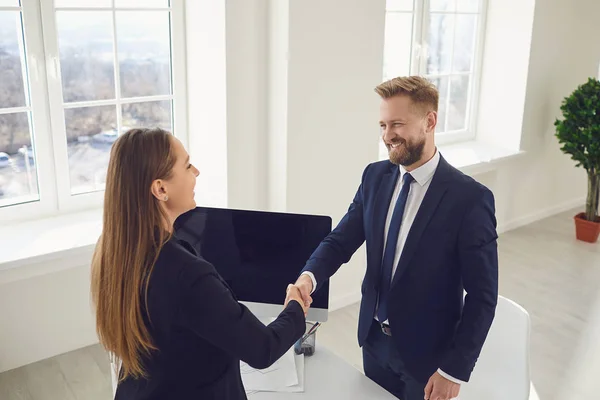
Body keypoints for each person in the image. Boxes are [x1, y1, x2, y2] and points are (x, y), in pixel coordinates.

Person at [294, 76, 499, 400]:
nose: (388, 135)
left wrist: (453, 370)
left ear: (430, 121)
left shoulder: (470, 200)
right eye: (383, 125)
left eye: (397, 124)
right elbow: (341, 240)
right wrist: (309, 277)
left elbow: (483, 295)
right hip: (373, 340)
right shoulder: (374, 177)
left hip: (429, 358)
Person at [90, 128, 307, 400]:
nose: (197, 172)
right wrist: (295, 307)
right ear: (160, 188)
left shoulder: (113, 249)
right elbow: (262, 349)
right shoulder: (188, 274)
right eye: (187, 165)